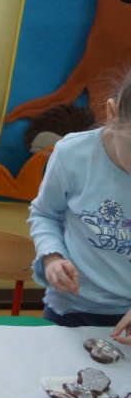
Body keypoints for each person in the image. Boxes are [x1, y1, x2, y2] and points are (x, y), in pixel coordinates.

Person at [29, 68, 131, 339]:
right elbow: (45, 214)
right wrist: (52, 257)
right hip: (71, 308)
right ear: (113, 113)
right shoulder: (73, 154)